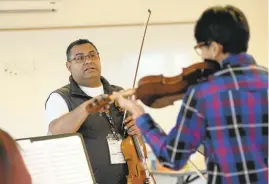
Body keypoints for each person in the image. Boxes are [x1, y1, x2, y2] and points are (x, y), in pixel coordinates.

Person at [111, 5, 268, 184]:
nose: (201, 54)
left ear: (215, 48)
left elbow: (172, 157)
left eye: (201, 47)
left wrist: (138, 113)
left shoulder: (205, 93)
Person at [45, 39, 140, 184]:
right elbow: (56, 133)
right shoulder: (59, 97)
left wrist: (139, 130)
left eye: (92, 55)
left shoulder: (119, 92)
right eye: (80, 58)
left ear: (99, 58)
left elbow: (137, 138)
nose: (88, 61)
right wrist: (85, 108)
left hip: (128, 179)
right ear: (68, 66)